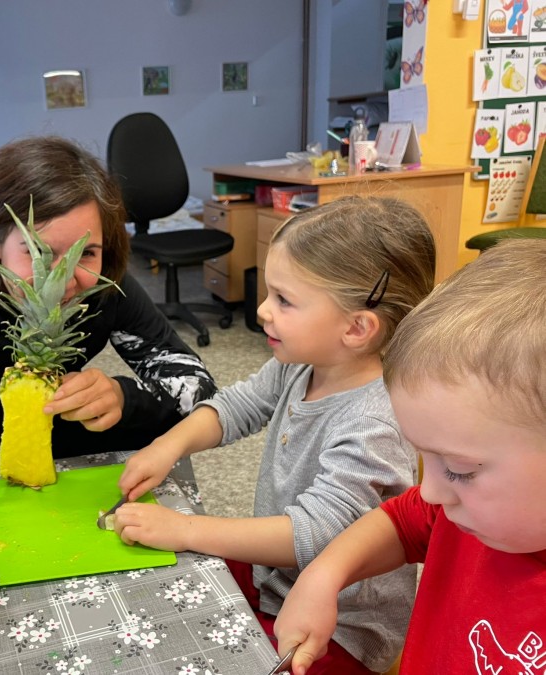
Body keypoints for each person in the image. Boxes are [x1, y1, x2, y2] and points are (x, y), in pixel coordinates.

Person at [114, 196, 437, 674]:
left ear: (356, 328)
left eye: (283, 300)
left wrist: (185, 528)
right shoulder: (301, 363)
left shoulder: (375, 421)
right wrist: (168, 445)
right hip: (277, 580)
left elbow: (314, 533)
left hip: (343, 628)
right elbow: (238, 405)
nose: (263, 310)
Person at [273, 239, 546, 675]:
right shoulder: (464, 514)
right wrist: (323, 575)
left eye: (458, 468)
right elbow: (403, 521)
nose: (430, 491)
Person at [0, 136, 217, 480]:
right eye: (38, 252)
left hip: (56, 418)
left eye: (86, 252)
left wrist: (122, 397)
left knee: (154, 446)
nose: (64, 281)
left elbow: (196, 385)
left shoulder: (105, 282)